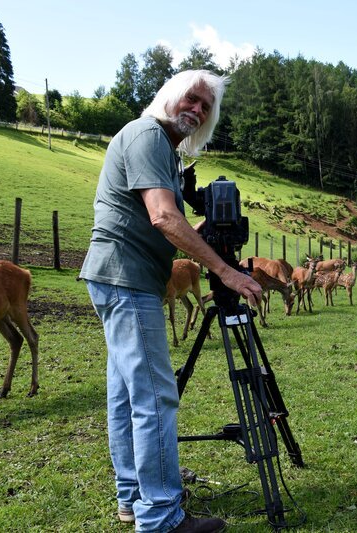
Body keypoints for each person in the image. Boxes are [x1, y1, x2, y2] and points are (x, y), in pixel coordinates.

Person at [80, 69, 262, 533]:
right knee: (156, 397)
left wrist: (211, 235)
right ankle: (161, 518)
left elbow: (166, 225)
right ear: (168, 97)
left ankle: (133, 498)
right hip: (129, 280)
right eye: (192, 99)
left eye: (206, 107)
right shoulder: (147, 135)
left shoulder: (162, 150)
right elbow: (163, 217)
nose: (197, 110)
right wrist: (223, 271)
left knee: (125, 396)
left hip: (118, 277)